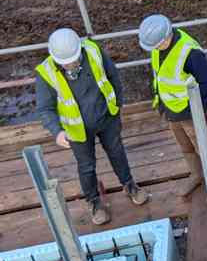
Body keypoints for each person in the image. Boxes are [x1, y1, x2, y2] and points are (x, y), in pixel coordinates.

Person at [35, 27, 150, 225]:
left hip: (106, 118)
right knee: (86, 167)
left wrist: (117, 104)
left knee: (117, 152)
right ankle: (94, 202)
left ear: (79, 49)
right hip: (76, 130)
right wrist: (57, 132)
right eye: (65, 63)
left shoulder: (94, 51)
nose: (69, 65)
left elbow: (113, 76)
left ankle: (129, 185)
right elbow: (45, 108)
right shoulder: (46, 73)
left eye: (73, 60)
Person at [138, 14, 207, 199]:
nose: (154, 49)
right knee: (185, 146)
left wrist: (197, 111)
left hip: (190, 112)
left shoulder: (190, 52)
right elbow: (160, 75)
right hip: (171, 109)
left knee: (204, 148)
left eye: (156, 45)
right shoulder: (157, 47)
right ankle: (197, 175)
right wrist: (161, 102)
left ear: (166, 37)